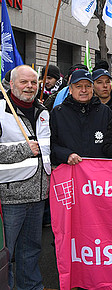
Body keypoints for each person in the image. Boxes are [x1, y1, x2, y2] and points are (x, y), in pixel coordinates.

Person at [0, 65, 51, 289]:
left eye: (33, 82)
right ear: (11, 84)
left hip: (39, 195)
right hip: (9, 197)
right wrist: (22, 149)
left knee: (30, 251)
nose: (30, 87)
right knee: (5, 254)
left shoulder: (43, 111)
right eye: (24, 82)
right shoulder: (1, 110)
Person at [50, 69, 112, 165]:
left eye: (87, 86)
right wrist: (66, 155)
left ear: (92, 88)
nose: (84, 90)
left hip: (99, 173)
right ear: (70, 89)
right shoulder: (58, 113)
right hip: (69, 172)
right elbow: (51, 144)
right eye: (79, 86)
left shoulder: (105, 111)